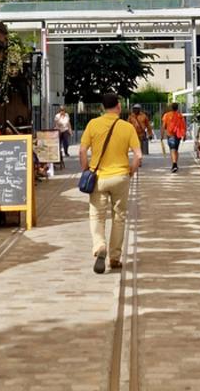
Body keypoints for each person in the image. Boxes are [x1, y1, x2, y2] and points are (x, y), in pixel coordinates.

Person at [80, 92, 142, 275]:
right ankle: (115, 257)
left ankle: (99, 245)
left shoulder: (93, 124)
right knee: (119, 216)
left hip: (99, 177)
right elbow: (138, 155)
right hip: (121, 176)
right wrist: (132, 169)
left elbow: (82, 150)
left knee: (97, 216)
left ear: (102, 107)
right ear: (119, 106)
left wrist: (86, 169)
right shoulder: (126, 127)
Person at [161, 102, 187, 173]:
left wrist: (162, 135)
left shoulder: (166, 115)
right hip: (178, 135)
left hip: (170, 134)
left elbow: (163, 126)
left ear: (171, 107)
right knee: (176, 149)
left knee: (172, 149)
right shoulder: (180, 115)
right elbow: (184, 126)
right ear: (177, 108)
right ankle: (175, 164)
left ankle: (174, 164)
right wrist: (184, 135)